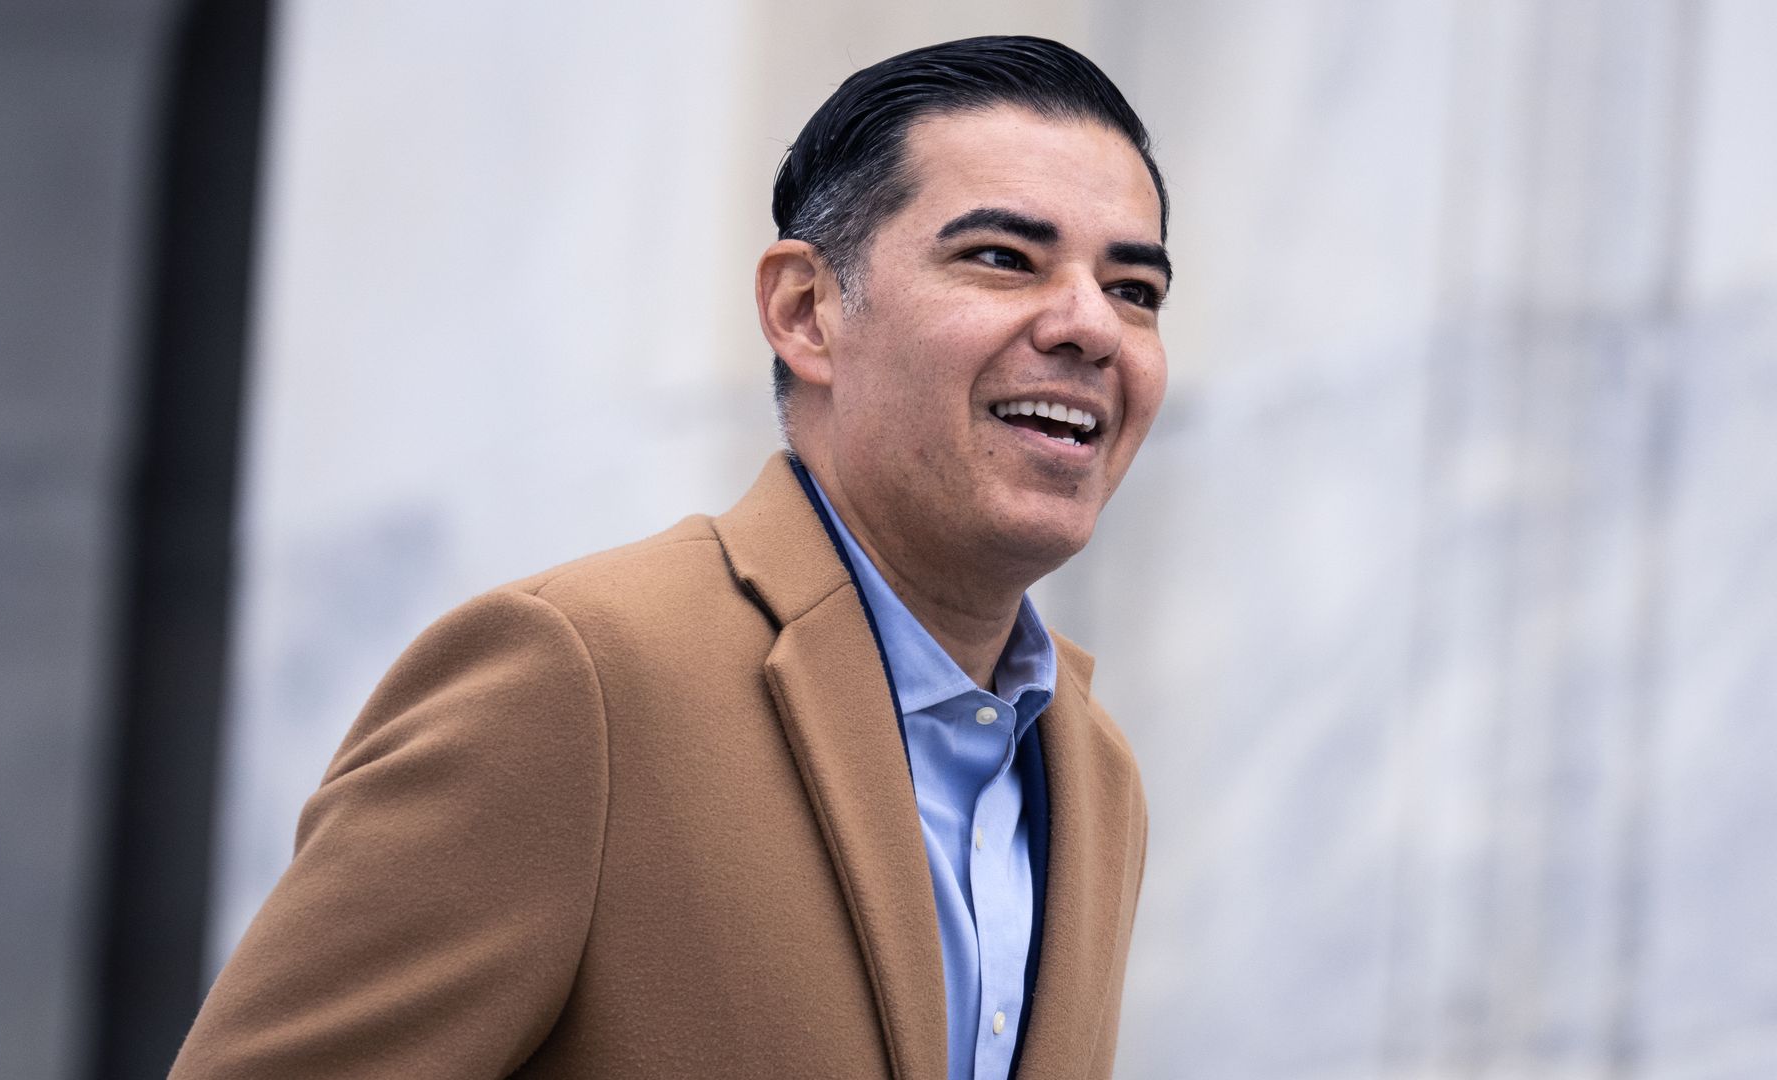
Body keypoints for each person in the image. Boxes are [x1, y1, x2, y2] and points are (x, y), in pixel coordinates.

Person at [172, 34, 1170, 1080]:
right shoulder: (578, 677)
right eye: (1004, 258)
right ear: (804, 311)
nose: (1091, 327)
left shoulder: (1095, 774)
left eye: (1135, 289)